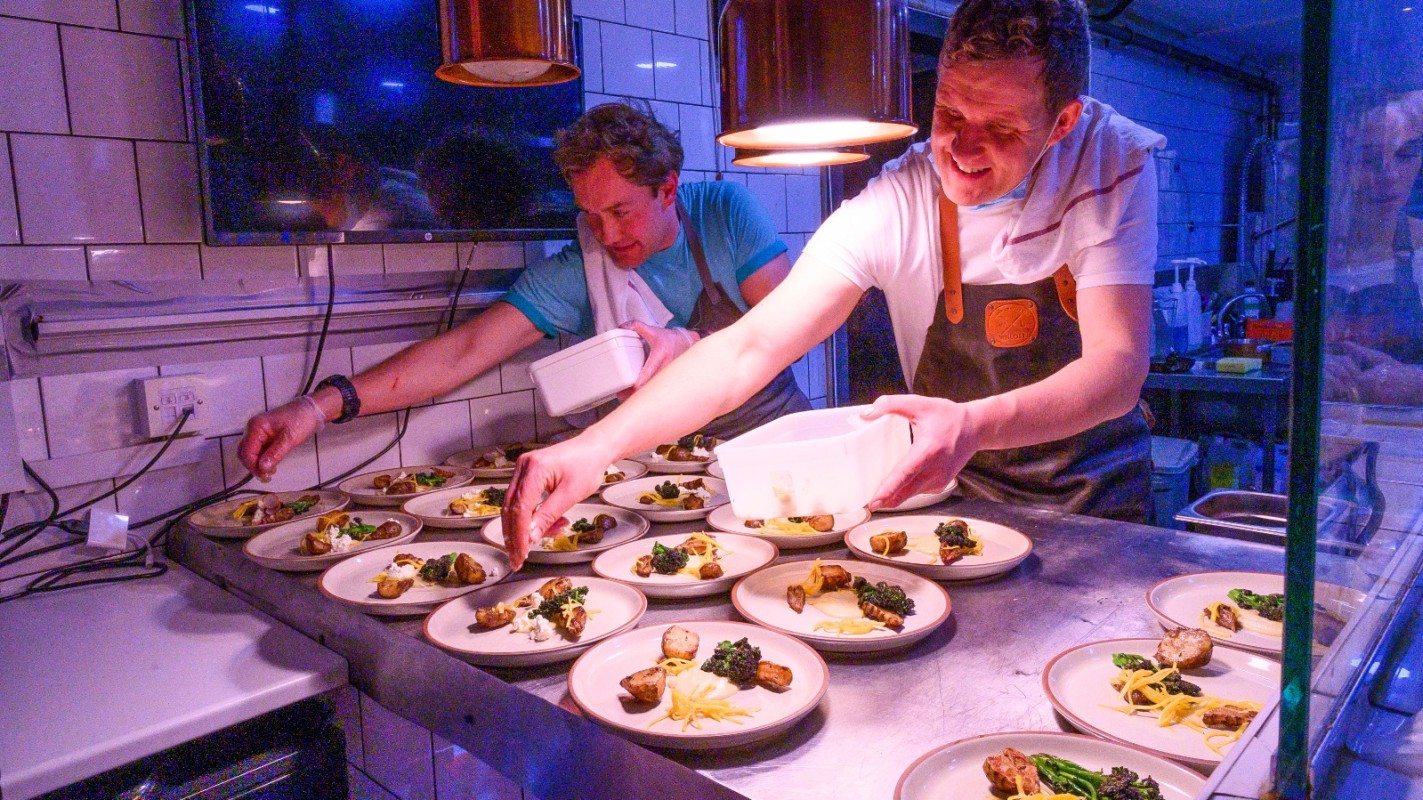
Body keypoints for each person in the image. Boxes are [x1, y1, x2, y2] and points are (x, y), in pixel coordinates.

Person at [502, 0, 1165, 568]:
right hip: (959, 503)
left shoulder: (1109, 162)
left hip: (1096, 509)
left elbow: (1117, 368)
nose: (962, 151)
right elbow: (750, 346)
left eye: (999, 129)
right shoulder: (902, 195)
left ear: (1062, 122)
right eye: (949, 115)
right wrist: (596, 446)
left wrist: (971, 423)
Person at [238, 103, 810, 480]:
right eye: (591, 215)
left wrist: (688, 342)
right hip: (666, 476)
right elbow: (461, 353)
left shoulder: (724, 214)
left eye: (620, 212)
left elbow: (793, 326)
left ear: (667, 189)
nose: (608, 236)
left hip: (774, 445)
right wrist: (317, 406)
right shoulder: (581, 267)